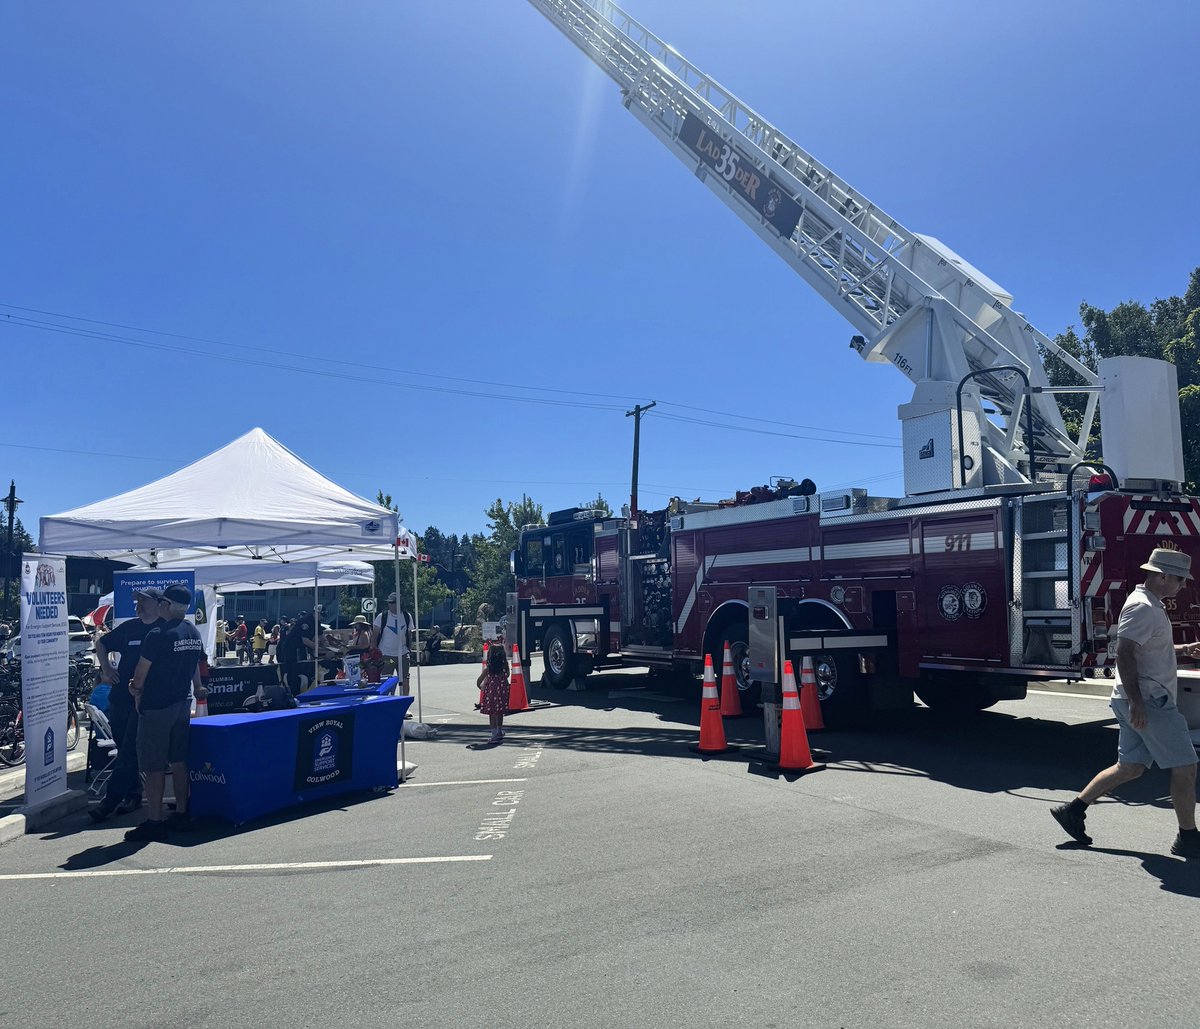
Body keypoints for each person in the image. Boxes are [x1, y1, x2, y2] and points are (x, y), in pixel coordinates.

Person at [1051, 548, 1200, 859]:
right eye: (1180, 580)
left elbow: (1146, 648)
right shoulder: (1143, 607)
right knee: (1185, 768)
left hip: (1141, 698)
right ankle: (1188, 837)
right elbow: (1125, 653)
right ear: (1163, 576)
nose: (1183, 586)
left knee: (1130, 767)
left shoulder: (1149, 605)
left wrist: (1185, 649)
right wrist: (1137, 703)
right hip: (1149, 700)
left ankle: (1073, 810)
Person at [125, 584, 203, 841]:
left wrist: (135, 688)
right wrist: (197, 688)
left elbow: (141, 670)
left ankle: (155, 819)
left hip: (157, 707)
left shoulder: (158, 634)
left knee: (153, 765)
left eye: (161, 603)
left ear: (167, 605)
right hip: (182, 704)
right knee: (179, 762)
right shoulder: (193, 631)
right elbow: (195, 667)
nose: (158, 606)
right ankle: (181, 813)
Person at [88, 586, 165, 822]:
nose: (138, 605)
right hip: (120, 698)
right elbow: (101, 643)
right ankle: (133, 794)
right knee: (124, 751)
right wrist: (106, 667)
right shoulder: (129, 627)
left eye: (143, 601)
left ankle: (109, 802)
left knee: (129, 751)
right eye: (137, 601)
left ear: (157, 604)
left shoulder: (164, 629)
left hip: (145, 701)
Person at [372, 592, 414, 695]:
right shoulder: (382, 616)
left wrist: (409, 649)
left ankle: (404, 703)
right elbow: (375, 635)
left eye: (392, 602)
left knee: (405, 678)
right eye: (389, 603)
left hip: (403, 654)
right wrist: (374, 651)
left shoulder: (406, 616)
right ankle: (388, 701)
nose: (390, 605)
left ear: (399, 603)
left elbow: (409, 634)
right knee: (387, 679)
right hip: (387, 655)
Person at [476, 643, 510, 745]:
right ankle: (499, 731)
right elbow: (507, 676)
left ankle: (494, 734)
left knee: (492, 714)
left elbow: (478, 681)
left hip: (491, 695)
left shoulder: (488, 670)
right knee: (500, 712)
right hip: (502, 694)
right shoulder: (504, 669)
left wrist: (482, 687)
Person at [279, 608, 318, 694]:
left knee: (298, 667)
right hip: (289, 648)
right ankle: (291, 690)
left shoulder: (308, 624)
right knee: (291, 669)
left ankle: (294, 689)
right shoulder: (287, 628)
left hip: (298, 649)